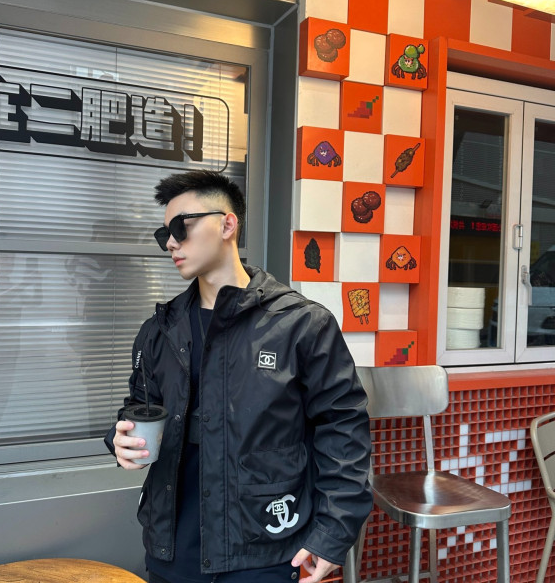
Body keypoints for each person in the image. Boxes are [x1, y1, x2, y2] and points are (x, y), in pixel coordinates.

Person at [105, 170, 372, 583]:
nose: (171, 243)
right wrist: (121, 438)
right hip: (172, 545)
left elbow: (343, 429)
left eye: (180, 228)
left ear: (228, 224)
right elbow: (139, 408)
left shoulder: (301, 325)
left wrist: (333, 533)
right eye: (164, 235)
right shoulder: (160, 330)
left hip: (264, 545)